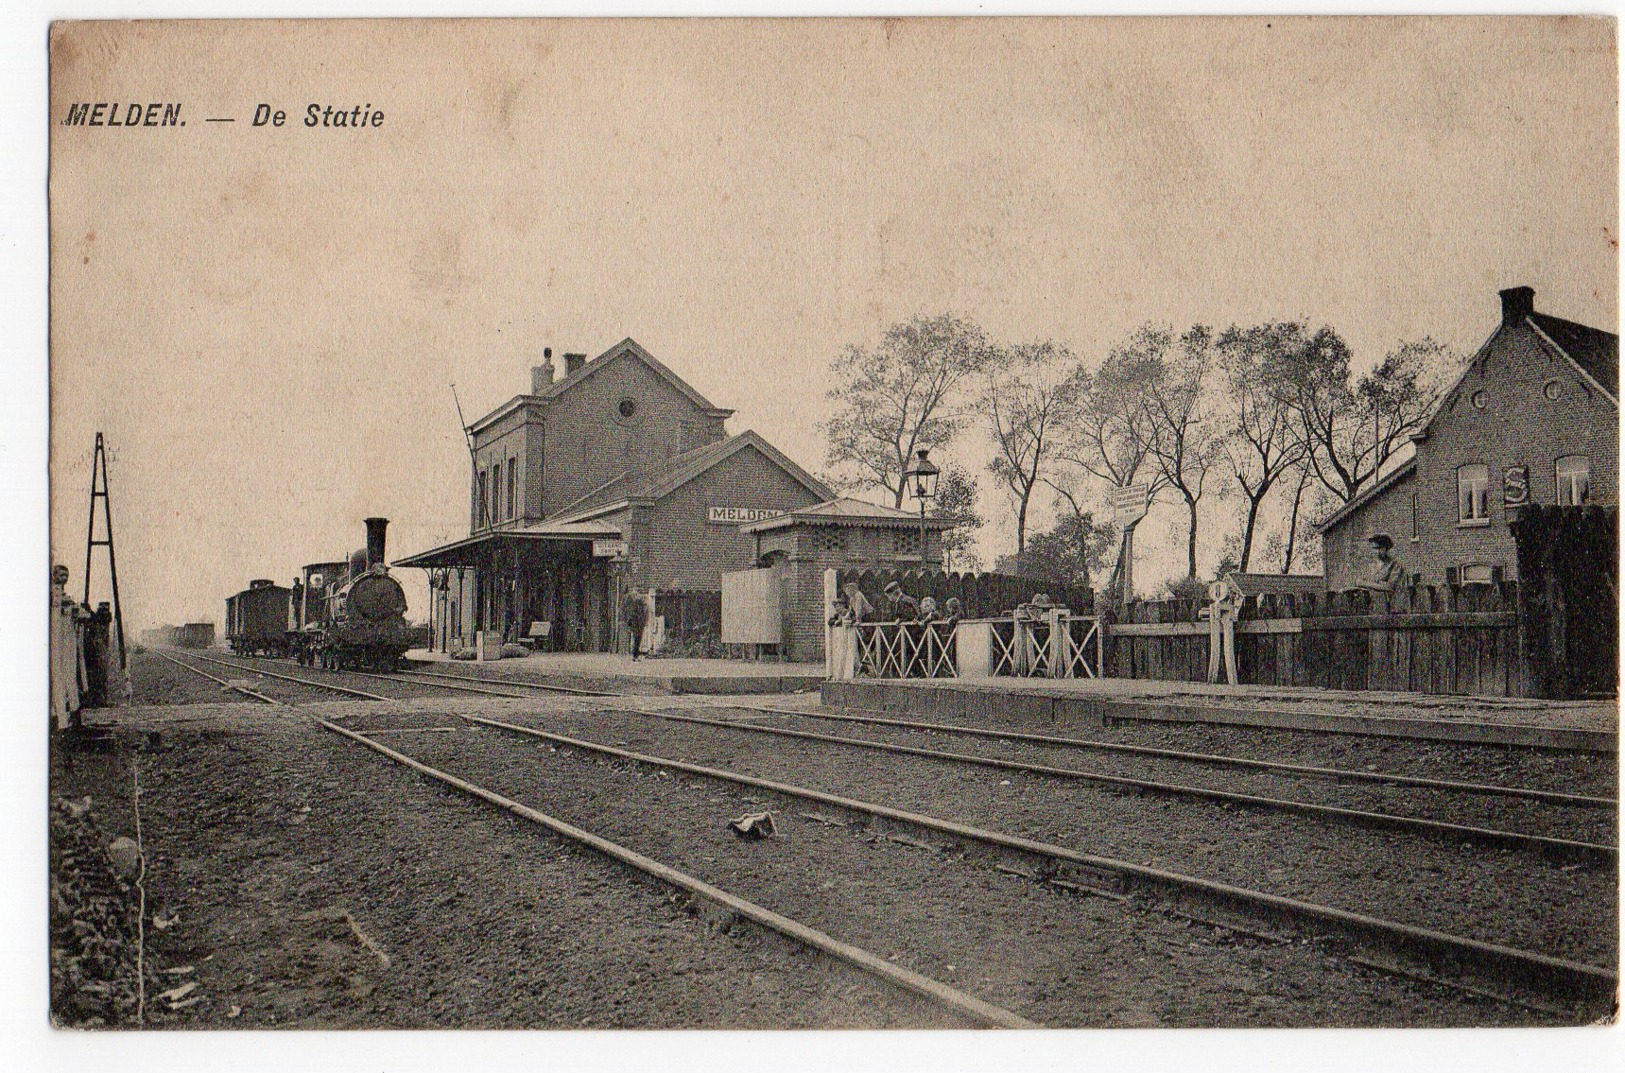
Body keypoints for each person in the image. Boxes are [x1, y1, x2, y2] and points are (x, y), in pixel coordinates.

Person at [620, 589, 649, 661]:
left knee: (634, 637)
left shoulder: (628, 598)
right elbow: (643, 611)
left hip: (632, 620)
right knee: (637, 637)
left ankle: (633, 654)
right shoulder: (640, 599)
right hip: (637, 621)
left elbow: (623, 608)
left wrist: (625, 618)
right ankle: (634, 655)